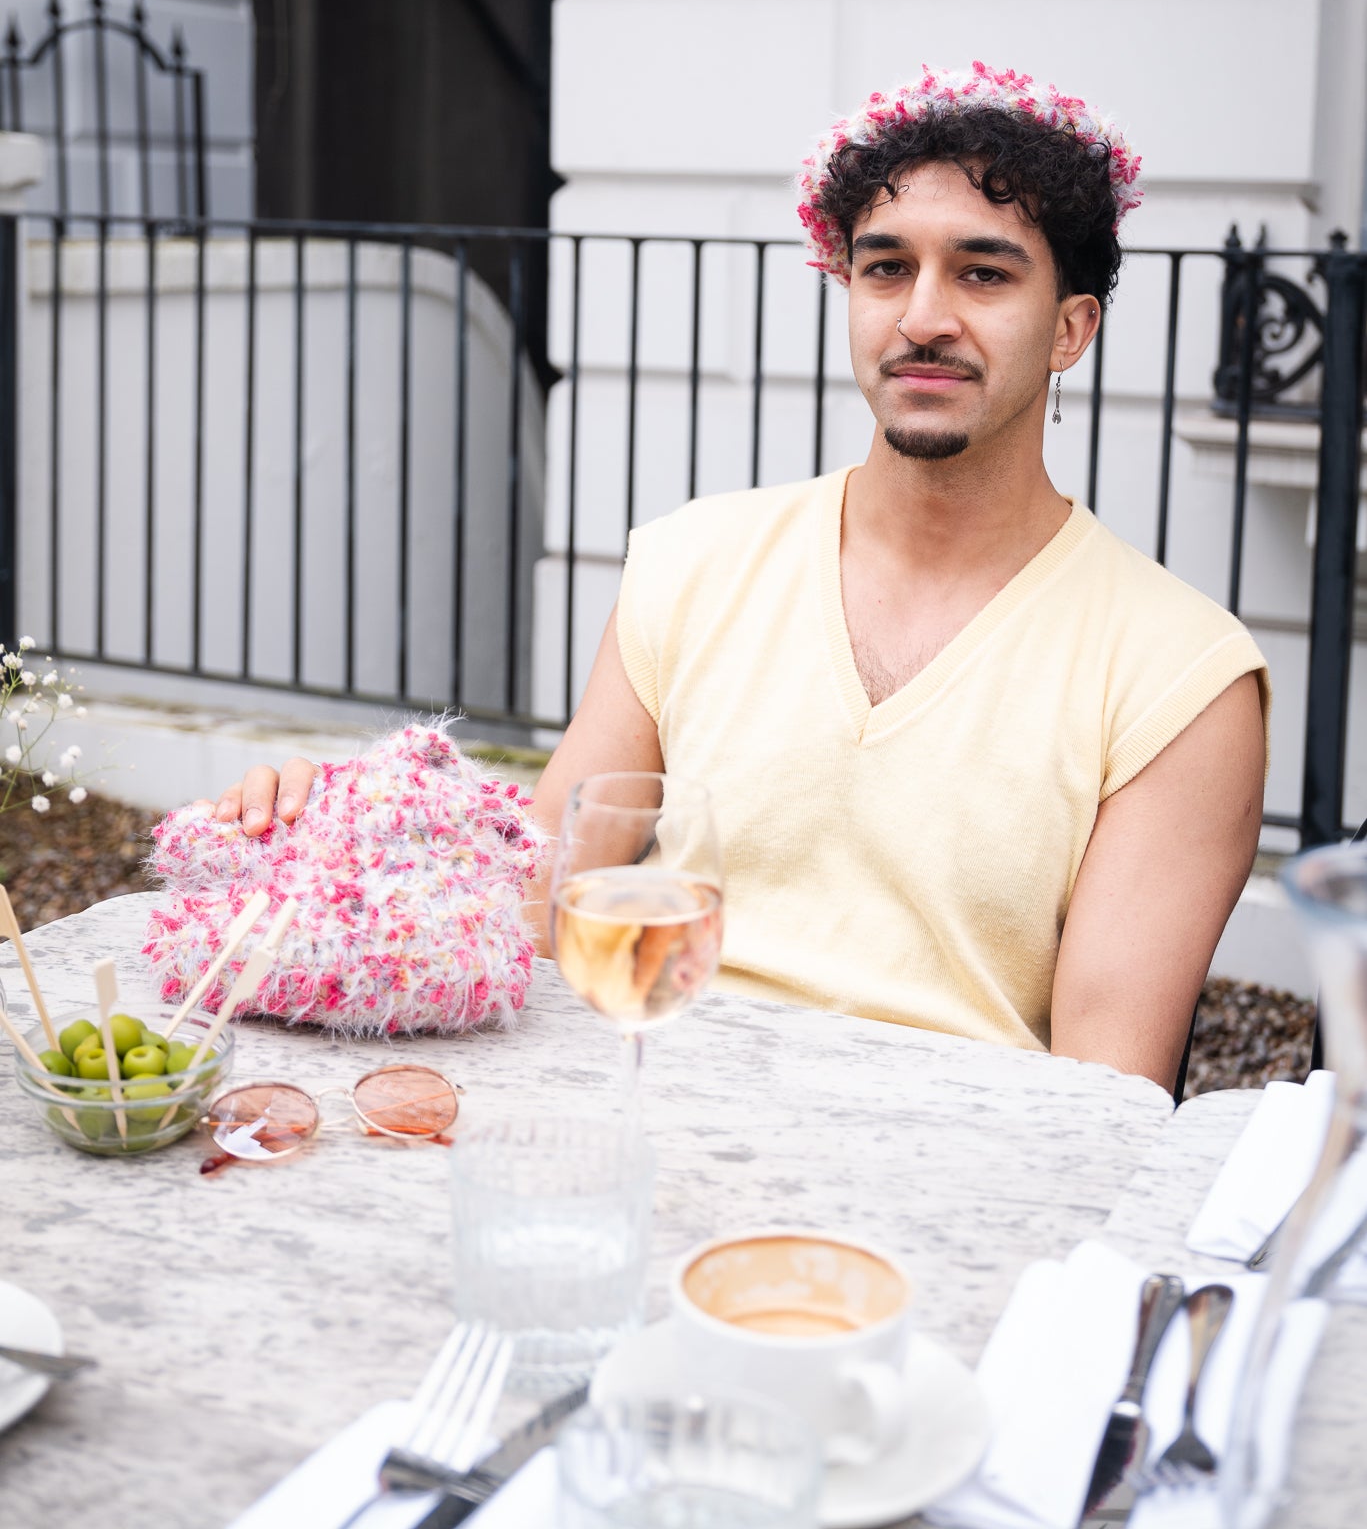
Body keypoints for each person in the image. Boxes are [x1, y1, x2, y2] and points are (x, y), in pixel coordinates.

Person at [213, 65, 1268, 1093]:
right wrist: (352, 839)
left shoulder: (1180, 676)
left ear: (1069, 329)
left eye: (982, 273)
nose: (922, 317)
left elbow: (1098, 1103)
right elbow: (532, 909)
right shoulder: (692, 562)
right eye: (884, 267)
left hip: (942, 1198)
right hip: (644, 1109)